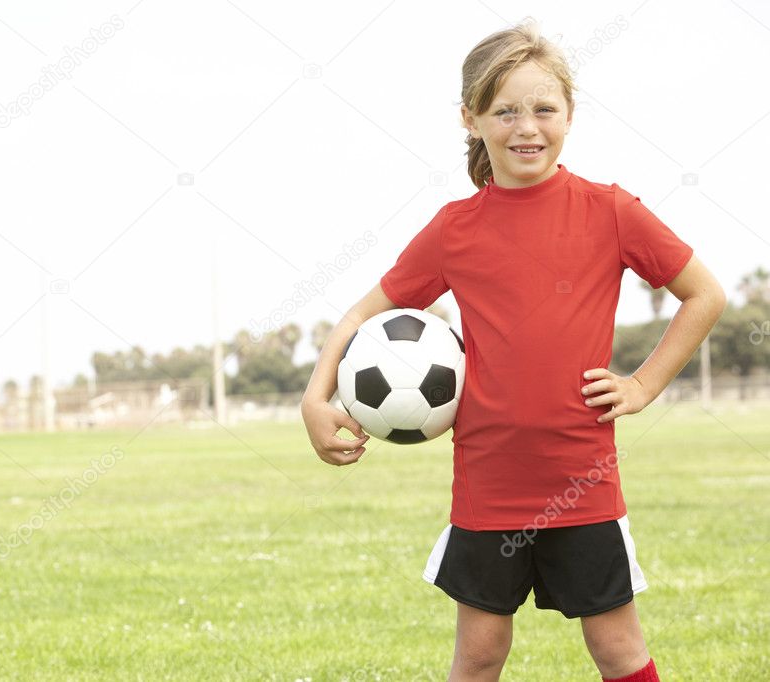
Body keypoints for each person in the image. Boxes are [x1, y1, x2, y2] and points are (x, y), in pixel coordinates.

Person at [300, 20, 727, 682]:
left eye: (542, 109)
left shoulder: (609, 211)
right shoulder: (453, 229)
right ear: (469, 119)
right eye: (504, 111)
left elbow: (703, 294)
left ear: (568, 116)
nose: (525, 126)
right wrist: (314, 397)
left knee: (616, 648)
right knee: (478, 655)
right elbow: (360, 314)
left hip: (582, 480)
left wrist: (642, 385)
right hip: (488, 487)